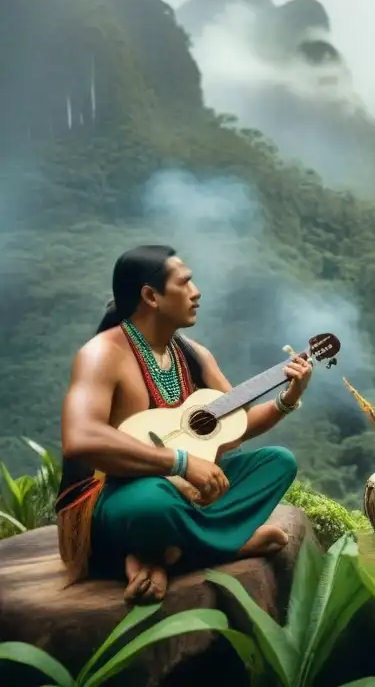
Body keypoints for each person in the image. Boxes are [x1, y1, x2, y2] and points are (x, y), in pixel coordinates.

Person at [56, 245, 312, 603]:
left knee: (278, 462)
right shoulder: (101, 355)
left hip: (183, 493)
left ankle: (167, 555)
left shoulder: (193, 354)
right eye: (185, 283)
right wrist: (181, 463)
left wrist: (287, 398)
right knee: (151, 504)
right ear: (151, 296)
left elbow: (237, 425)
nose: (197, 292)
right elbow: (80, 438)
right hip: (119, 494)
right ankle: (225, 544)